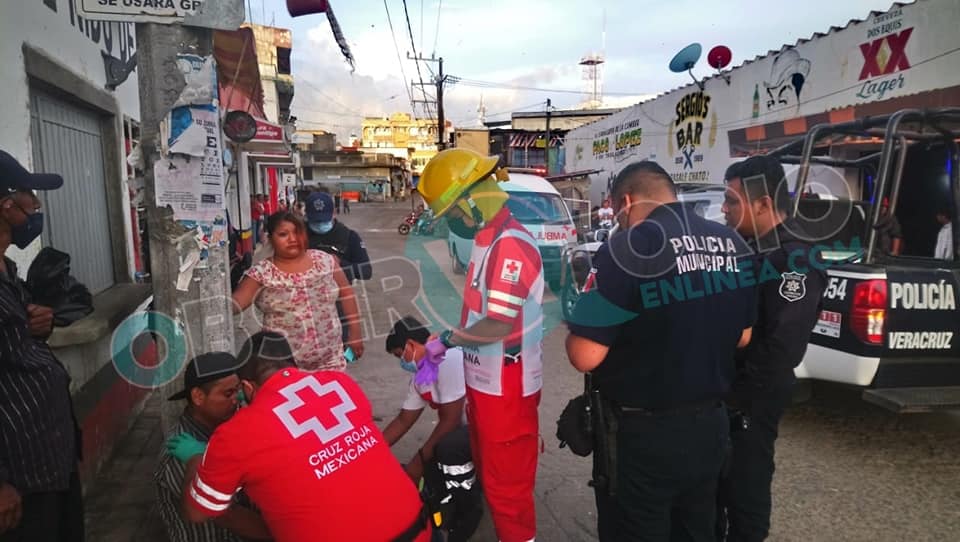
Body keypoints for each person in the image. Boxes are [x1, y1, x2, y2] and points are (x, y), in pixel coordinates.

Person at [565, 160, 756, 541]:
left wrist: (575, 323)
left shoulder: (628, 247)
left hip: (644, 437)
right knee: (697, 527)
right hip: (711, 428)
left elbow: (585, 355)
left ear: (626, 201)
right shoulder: (732, 243)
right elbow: (743, 337)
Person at [174, 332, 431, 542]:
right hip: (418, 530)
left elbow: (196, 512)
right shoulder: (341, 385)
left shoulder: (236, 433)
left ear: (248, 387)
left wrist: (196, 458)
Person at [416, 148, 544, 542]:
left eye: (454, 213)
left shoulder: (510, 245)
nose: (454, 222)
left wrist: (450, 339)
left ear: (472, 198)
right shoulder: (488, 240)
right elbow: (477, 313)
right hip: (486, 386)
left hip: (507, 390)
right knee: (493, 476)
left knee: (509, 492)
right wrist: (446, 341)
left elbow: (498, 325)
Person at [718, 155, 827, 542]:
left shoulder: (794, 258)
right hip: (727, 387)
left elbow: (782, 346)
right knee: (716, 484)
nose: (724, 209)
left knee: (746, 487)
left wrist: (738, 397)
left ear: (763, 204)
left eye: (732, 201)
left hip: (753, 392)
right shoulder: (749, 247)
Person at [0, 151, 84, 542]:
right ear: (7, 205)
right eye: (30, 195)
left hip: (49, 461)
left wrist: (38, 326)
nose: (36, 205)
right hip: (18, 479)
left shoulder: (8, 270)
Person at [383, 316, 483, 542]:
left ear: (411, 345)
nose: (402, 362)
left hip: (483, 427)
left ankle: (469, 508)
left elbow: (451, 420)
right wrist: (372, 448)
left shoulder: (448, 359)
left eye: (401, 355)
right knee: (430, 467)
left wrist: (418, 461)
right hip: (463, 430)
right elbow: (403, 420)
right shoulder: (421, 376)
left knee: (445, 450)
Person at [155, 352, 270, 542]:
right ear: (198, 396)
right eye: (228, 394)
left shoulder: (231, 428)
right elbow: (227, 515)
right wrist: (282, 532)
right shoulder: (177, 453)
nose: (238, 399)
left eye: (238, 391)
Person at [232, 211, 364, 371]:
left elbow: (347, 293)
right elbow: (235, 305)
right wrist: (231, 281)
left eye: (297, 232)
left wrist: (355, 333)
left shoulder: (324, 260)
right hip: (283, 366)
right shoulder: (262, 273)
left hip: (331, 361)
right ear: (270, 238)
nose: (292, 239)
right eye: (283, 234)